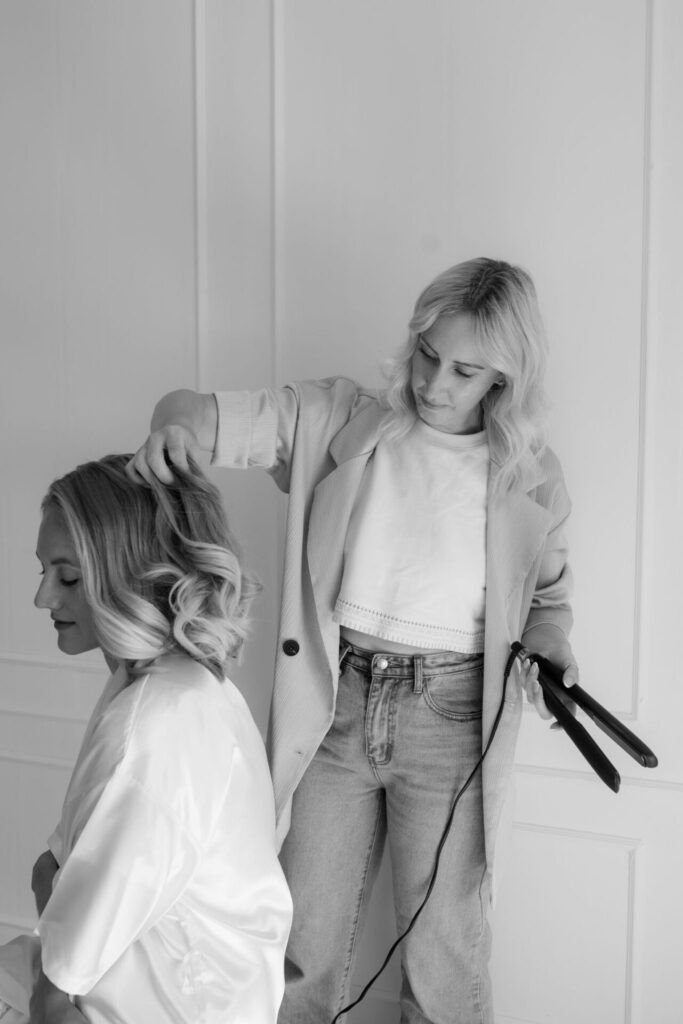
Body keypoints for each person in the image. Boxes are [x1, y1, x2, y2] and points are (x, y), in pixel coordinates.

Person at [127, 257, 578, 1024]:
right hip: (333, 706)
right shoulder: (339, 418)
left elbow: (547, 598)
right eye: (428, 353)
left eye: (465, 370)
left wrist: (550, 649)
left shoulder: (529, 478)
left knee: (446, 955)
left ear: (504, 379)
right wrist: (175, 426)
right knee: (299, 942)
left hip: (453, 720)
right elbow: (199, 411)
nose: (435, 383)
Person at [0, 455, 292, 1024]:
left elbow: (58, 995)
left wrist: (62, 921)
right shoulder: (157, 681)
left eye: (68, 577)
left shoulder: (158, 727)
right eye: (43, 572)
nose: (42, 598)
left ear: (128, 574)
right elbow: (49, 872)